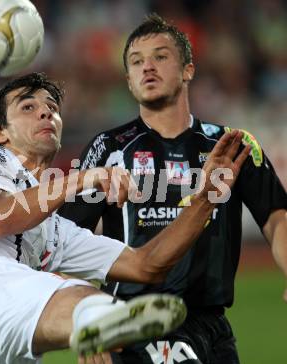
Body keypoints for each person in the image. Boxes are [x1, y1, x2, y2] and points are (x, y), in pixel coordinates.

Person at [0, 72, 249, 364]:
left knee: (90, 302)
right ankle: (97, 321)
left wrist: (205, 200)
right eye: (28, 107)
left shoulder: (53, 229)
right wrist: (87, 177)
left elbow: (145, 265)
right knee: (86, 297)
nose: (46, 111)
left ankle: (98, 324)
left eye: (52, 107)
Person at [58, 14, 287, 364]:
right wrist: (91, 322)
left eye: (160, 57)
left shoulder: (230, 146)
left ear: (188, 70)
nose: (147, 67)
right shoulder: (109, 148)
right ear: (129, 81)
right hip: (137, 323)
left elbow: (276, 216)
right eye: (136, 61)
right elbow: (64, 240)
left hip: (214, 330)